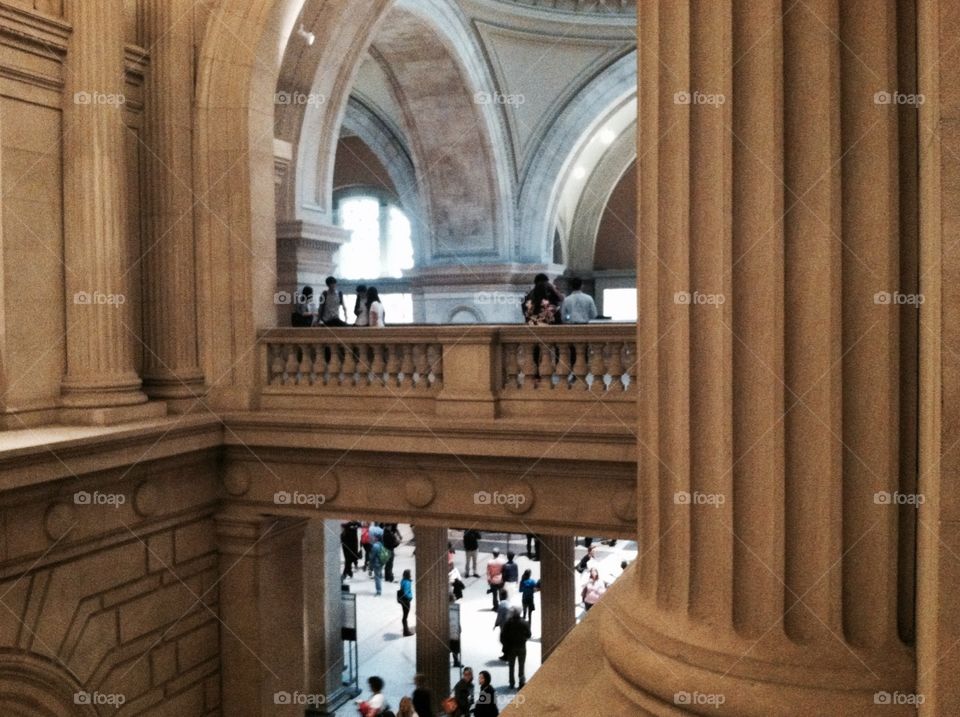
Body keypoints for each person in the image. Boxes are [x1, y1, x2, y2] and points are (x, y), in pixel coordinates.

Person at [500, 612, 531, 689]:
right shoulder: (524, 622)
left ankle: (511, 682)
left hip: (511, 648)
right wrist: (524, 639)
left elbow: (503, 635)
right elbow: (529, 634)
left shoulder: (508, 623)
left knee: (511, 666)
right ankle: (521, 682)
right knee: (521, 665)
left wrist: (505, 644)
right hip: (522, 647)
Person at [369, 523, 386, 596]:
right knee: (379, 575)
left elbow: (372, 557)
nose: (373, 538)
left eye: (374, 537)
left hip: (376, 564)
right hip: (381, 563)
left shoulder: (375, 546)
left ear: (376, 538)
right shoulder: (381, 544)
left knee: (377, 578)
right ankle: (379, 589)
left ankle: (378, 591)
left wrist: (370, 566)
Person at [399, 569, 413, 636]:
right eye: (410, 574)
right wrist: (410, 597)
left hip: (403, 600)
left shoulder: (403, 581)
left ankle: (406, 630)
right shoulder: (407, 582)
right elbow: (406, 592)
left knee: (404, 616)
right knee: (405, 616)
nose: (411, 575)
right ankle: (406, 631)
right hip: (406, 600)